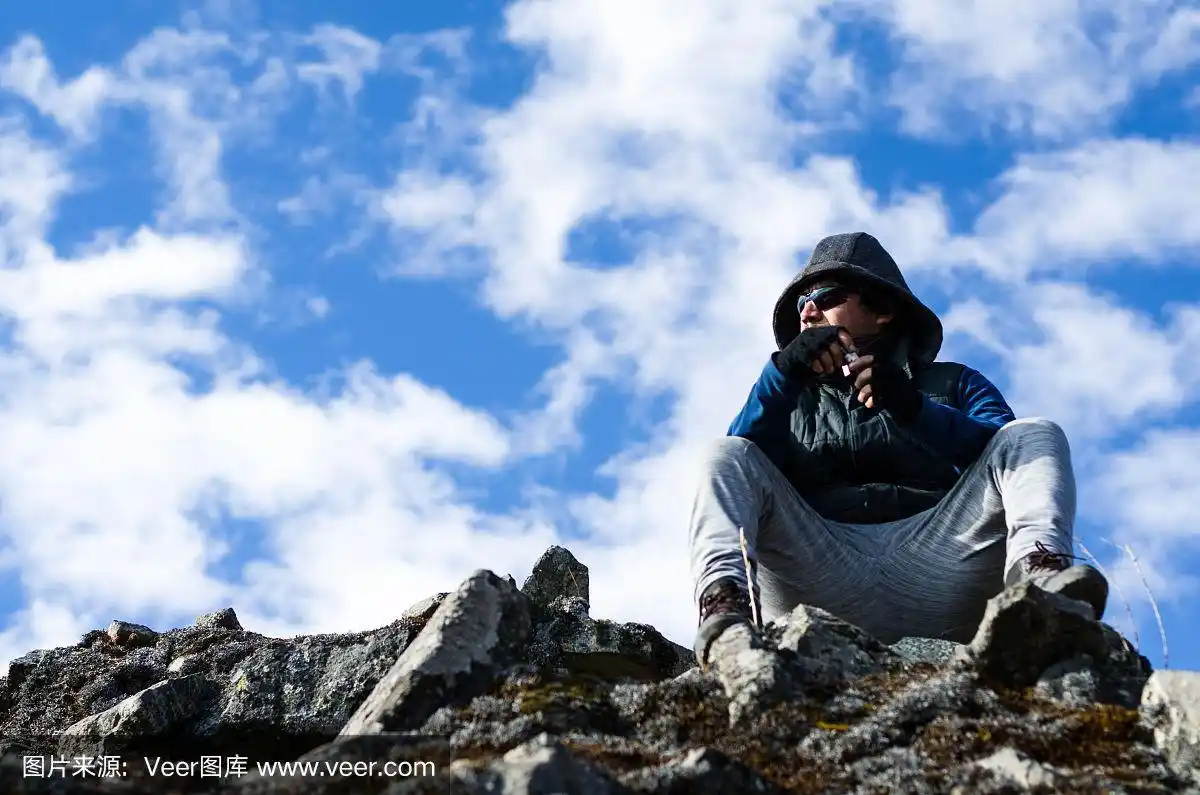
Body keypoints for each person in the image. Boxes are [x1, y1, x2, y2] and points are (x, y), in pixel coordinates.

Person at [688, 231, 1109, 670]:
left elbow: (1002, 452)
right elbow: (739, 465)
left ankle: (1039, 584)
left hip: (945, 567)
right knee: (724, 451)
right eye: (801, 305)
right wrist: (782, 375)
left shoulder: (956, 381)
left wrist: (914, 408)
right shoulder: (784, 397)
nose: (808, 312)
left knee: (1034, 432)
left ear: (882, 310)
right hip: (818, 574)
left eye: (826, 297)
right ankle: (725, 611)